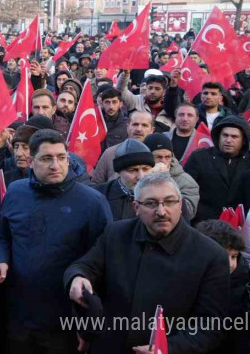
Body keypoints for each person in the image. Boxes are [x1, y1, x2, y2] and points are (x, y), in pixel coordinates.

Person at [65, 173, 229, 353]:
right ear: (136, 207)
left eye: (169, 202)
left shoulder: (211, 255)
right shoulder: (116, 234)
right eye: (151, 203)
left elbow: (211, 326)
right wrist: (77, 277)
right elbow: (85, 266)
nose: (161, 211)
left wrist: (166, 349)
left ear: (180, 204)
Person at [0, 129, 111, 352]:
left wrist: (88, 324)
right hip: (18, 316)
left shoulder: (93, 202)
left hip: (64, 321)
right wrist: (1, 259)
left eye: (61, 157)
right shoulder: (15, 193)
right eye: (47, 158)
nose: (55, 165)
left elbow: (102, 262)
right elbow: (2, 236)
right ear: (30, 161)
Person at [186, 115, 250, 223]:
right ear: (219, 136)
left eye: (234, 137)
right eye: (225, 135)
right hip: (204, 224)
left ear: (243, 140)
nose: (228, 140)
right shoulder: (199, 157)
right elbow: (187, 190)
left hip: (241, 225)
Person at [143, 133, 200, 219]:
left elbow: (187, 213)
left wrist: (165, 179)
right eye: (158, 157)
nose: (163, 161)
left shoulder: (186, 182)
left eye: (167, 157)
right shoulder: (136, 176)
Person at [96, 139, 155, 220]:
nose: (141, 176)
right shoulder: (99, 196)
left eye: (145, 169)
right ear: (119, 172)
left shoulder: (161, 196)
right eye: (133, 170)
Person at [92, 111, 155, 184]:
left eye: (144, 125)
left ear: (152, 130)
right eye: (135, 124)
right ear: (128, 127)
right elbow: (96, 185)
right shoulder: (110, 153)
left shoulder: (159, 154)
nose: (139, 129)